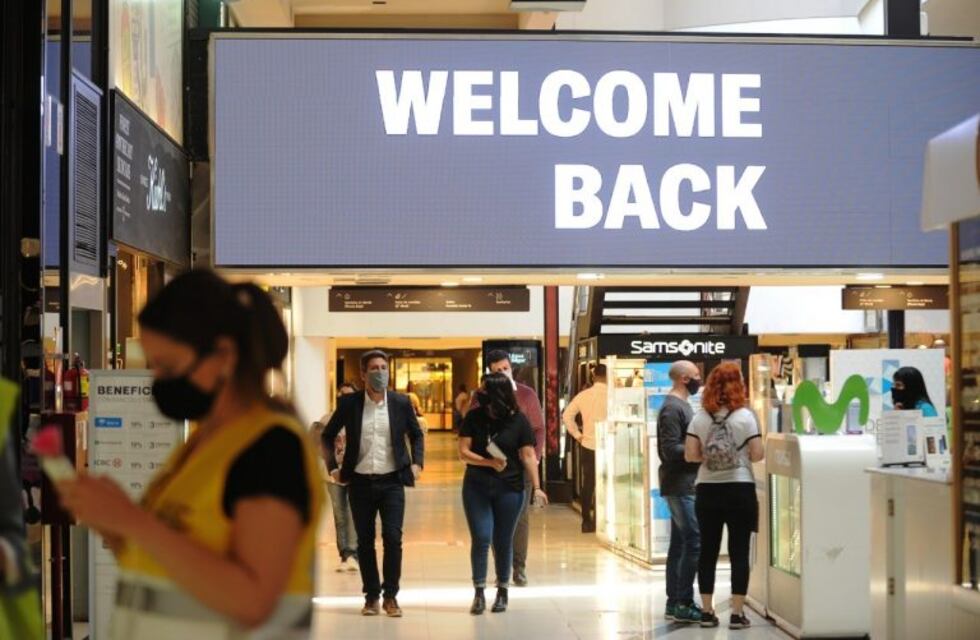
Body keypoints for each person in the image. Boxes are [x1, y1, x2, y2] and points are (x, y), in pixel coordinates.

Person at [55, 269, 324, 638]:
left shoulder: (272, 447)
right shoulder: (203, 442)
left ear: (224, 355)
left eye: (168, 366)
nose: (157, 380)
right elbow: (172, 566)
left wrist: (134, 522)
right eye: (153, 365)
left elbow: (253, 601)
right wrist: (115, 525)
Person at [321, 350, 425, 618]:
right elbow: (326, 436)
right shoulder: (350, 404)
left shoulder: (401, 402)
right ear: (363, 374)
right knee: (365, 542)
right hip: (359, 482)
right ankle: (371, 597)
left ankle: (391, 596)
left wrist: (417, 463)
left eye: (383, 367)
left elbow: (416, 435)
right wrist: (333, 468)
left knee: (393, 538)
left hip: (392, 482)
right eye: (374, 368)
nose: (380, 372)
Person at [458, 373, 549, 615]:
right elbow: (463, 452)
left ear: (496, 394)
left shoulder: (518, 420)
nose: (479, 393)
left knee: (503, 540)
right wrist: (488, 462)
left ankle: (502, 591)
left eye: (483, 389)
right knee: (481, 537)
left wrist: (537, 487)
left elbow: (528, 455)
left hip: (510, 488)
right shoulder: (474, 417)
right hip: (477, 487)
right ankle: (479, 591)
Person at [684, 362, 764, 631]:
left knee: (708, 551)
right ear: (738, 385)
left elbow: (690, 455)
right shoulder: (746, 417)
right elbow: (758, 454)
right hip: (740, 489)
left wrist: (711, 457)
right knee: (739, 552)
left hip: (708, 490)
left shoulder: (700, 418)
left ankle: (707, 612)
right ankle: (737, 614)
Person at [478, 349, 545, 587]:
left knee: (520, 517)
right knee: (495, 518)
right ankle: (502, 568)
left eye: (505, 368)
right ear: (490, 372)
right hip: (492, 467)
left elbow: (539, 428)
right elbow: (474, 428)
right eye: (497, 371)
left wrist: (535, 457)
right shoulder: (481, 396)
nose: (503, 373)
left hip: (521, 466)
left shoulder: (526, 395)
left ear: (511, 368)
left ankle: (519, 567)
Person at [657, 361, 703, 624]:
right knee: (693, 540)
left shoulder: (681, 405)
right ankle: (683, 601)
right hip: (679, 484)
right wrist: (699, 450)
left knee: (680, 543)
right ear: (684, 378)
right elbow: (669, 449)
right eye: (696, 375)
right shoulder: (673, 409)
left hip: (684, 483)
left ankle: (674, 601)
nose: (699, 379)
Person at [313, 382, 359, 573]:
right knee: (340, 515)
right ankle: (345, 554)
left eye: (349, 395)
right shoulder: (327, 420)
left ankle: (354, 554)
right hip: (332, 474)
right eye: (342, 395)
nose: (345, 398)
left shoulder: (361, 418)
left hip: (356, 473)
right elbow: (318, 445)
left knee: (354, 514)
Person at [562, 364, 607, 533]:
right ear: (608, 376)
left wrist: (577, 435)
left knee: (589, 484)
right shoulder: (614, 395)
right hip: (609, 446)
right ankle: (604, 520)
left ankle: (587, 522)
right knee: (609, 482)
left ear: (593, 377)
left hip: (588, 445)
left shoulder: (583, 395)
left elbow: (566, 415)